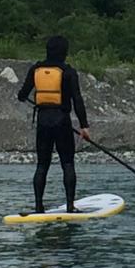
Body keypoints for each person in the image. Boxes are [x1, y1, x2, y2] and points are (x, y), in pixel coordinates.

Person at [17, 35, 90, 213]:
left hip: (43, 121)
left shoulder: (35, 69)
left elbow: (22, 95)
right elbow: (77, 100)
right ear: (65, 53)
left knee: (42, 165)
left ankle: (38, 206)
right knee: (67, 163)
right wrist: (84, 126)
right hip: (62, 121)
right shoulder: (68, 72)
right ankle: (71, 206)